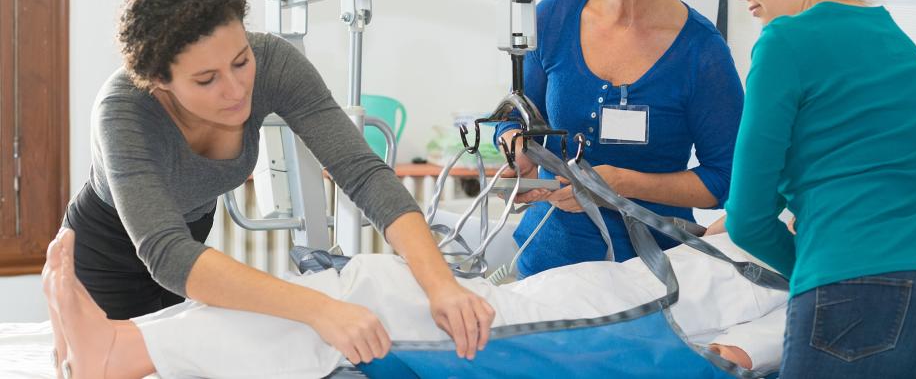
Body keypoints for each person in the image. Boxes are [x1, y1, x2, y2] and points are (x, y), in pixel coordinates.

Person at [57, 0, 494, 369]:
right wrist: (322, 309)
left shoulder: (274, 64)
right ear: (159, 82)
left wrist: (441, 285)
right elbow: (166, 255)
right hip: (107, 252)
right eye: (206, 80)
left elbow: (361, 172)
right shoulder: (123, 109)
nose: (234, 89)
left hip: (190, 241)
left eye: (241, 61)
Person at [721, 0, 916, 377]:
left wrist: (812, 269)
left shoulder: (784, 42)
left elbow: (746, 217)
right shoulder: (892, 36)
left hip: (854, 300)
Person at [43, 219, 787, 379]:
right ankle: (128, 340)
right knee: (336, 291)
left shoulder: (827, 270)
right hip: (594, 286)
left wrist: (732, 360)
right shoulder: (772, 222)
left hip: (623, 321)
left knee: (369, 298)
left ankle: (122, 350)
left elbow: (768, 340)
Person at [494, 0, 743, 277]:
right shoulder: (551, 19)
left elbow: (726, 180)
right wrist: (516, 150)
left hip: (648, 279)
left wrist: (621, 185)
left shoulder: (700, 52)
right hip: (543, 266)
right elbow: (512, 115)